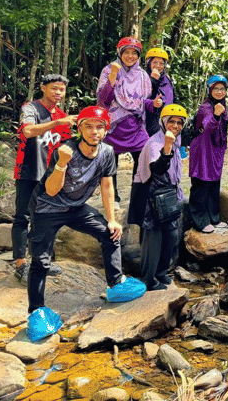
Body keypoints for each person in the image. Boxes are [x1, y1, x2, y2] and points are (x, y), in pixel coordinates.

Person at [27, 106, 144, 339]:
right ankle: (36, 311)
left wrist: (112, 219)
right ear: (79, 128)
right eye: (88, 126)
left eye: (99, 127)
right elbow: (50, 190)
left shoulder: (107, 152)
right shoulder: (66, 150)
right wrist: (62, 163)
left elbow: (107, 185)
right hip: (46, 208)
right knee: (40, 261)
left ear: (106, 130)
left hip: (76, 207)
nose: (94, 132)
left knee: (109, 233)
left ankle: (116, 283)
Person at [13, 74, 76, 281]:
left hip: (51, 176)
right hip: (28, 170)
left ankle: (42, 261)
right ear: (43, 88)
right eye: (54, 88)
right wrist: (57, 121)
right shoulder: (30, 108)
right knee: (23, 216)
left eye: (61, 89)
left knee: (47, 218)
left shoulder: (62, 116)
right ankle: (21, 263)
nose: (58, 93)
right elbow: (28, 131)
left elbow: (66, 147)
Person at [128, 104, 187, 291]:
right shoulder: (156, 142)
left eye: (179, 123)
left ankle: (161, 272)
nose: (176, 126)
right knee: (153, 236)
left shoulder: (175, 141)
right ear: (163, 122)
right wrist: (167, 147)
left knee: (170, 235)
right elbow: (157, 169)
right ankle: (148, 278)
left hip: (168, 193)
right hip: (150, 194)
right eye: (172, 122)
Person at [97, 37, 163, 205]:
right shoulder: (108, 70)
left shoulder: (142, 75)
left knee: (143, 160)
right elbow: (104, 99)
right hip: (113, 125)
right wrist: (113, 76)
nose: (130, 56)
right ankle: (113, 198)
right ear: (120, 52)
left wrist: (153, 104)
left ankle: (138, 195)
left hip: (136, 125)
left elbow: (143, 102)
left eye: (134, 53)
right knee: (110, 165)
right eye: (126, 52)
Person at [188, 75, 228, 233]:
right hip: (203, 150)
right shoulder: (206, 107)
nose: (219, 92)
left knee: (214, 183)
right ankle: (199, 220)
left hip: (216, 151)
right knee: (201, 183)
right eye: (216, 89)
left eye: (222, 89)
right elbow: (206, 126)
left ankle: (214, 218)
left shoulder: (222, 105)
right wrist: (216, 115)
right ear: (210, 90)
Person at [144, 48, 175, 137]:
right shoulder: (143, 77)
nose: (158, 66)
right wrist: (153, 80)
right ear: (149, 63)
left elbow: (174, 98)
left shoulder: (167, 78)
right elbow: (145, 98)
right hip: (151, 120)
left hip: (167, 118)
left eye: (161, 63)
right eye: (155, 62)